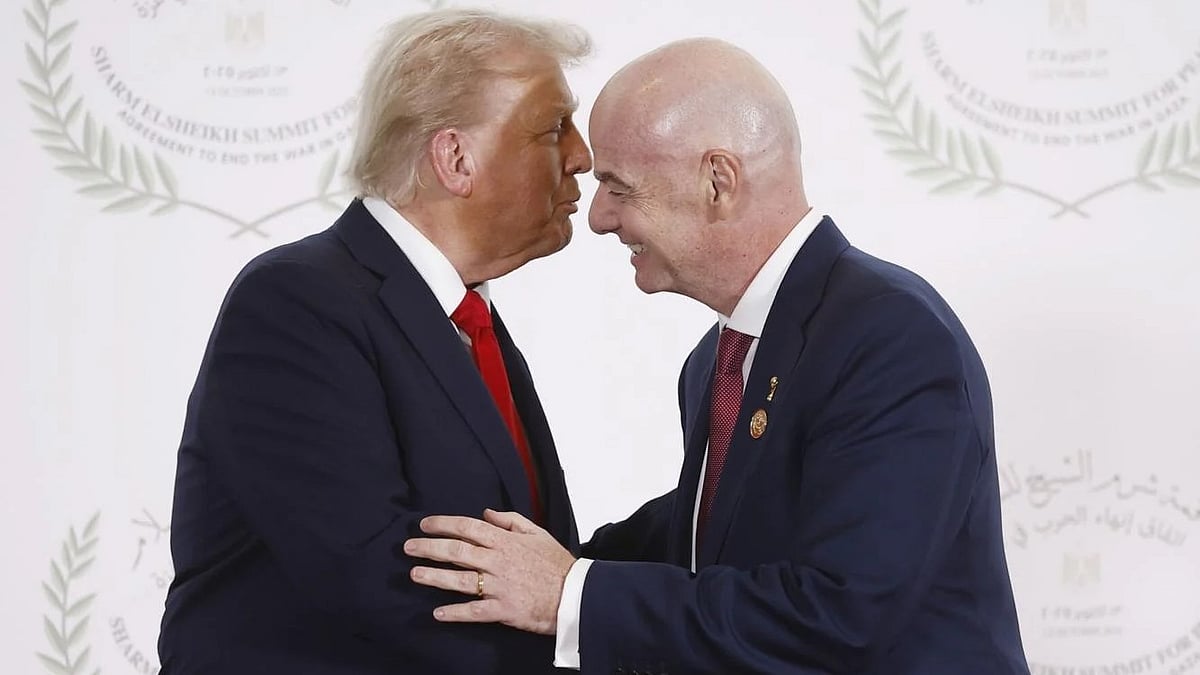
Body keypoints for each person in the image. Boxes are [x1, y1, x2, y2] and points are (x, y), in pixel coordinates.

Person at [403, 38, 1032, 674]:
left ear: (718, 182)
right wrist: (527, 568)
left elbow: (842, 616)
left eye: (619, 187)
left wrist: (571, 594)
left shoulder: (891, 337)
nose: (597, 218)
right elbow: (711, 536)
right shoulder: (718, 359)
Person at [157, 8, 593, 674]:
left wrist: (714, 509)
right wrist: (599, 632)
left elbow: (524, 557)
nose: (581, 157)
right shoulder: (296, 302)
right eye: (553, 128)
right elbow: (376, 580)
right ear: (455, 158)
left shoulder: (462, 318)